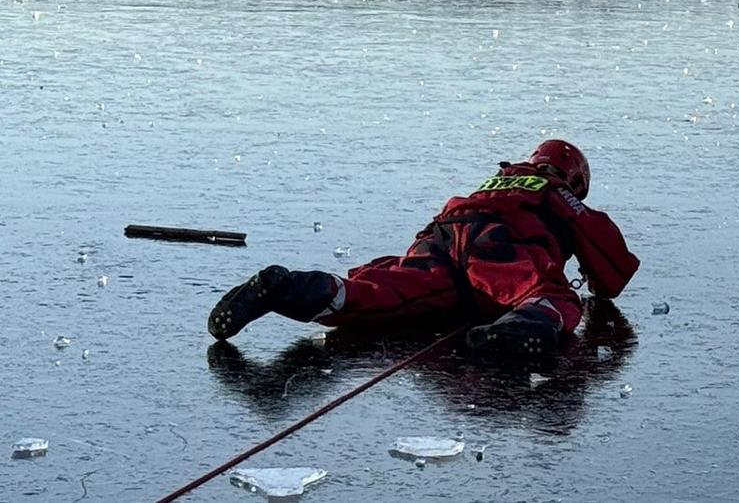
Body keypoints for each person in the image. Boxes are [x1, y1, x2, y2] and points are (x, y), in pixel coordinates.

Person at [207, 140, 640, 358]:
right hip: (498, 245)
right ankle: (522, 330)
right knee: (547, 296)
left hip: (439, 237)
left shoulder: (498, 181)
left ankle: (290, 287)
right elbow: (610, 263)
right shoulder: (555, 189)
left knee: (384, 293)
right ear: (574, 178)